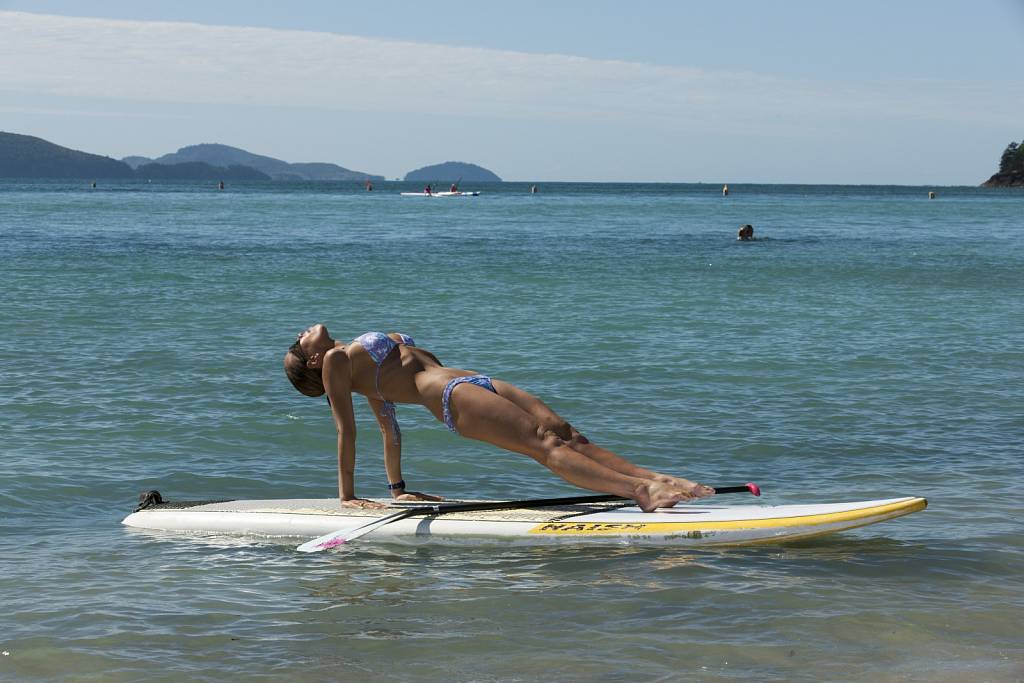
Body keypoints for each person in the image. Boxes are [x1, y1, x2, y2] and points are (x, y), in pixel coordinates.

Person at [284, 325, 715, 511]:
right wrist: (347, 495)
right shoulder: (337, 362)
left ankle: (662, 480)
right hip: (448, 395)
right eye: (299, 343)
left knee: (565, 432)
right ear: (314, 363)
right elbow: (346, 428)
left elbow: (388, 427)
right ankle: (641, 492)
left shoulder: (360, 366)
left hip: (467, 378)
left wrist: (398, 489)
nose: (302, 332)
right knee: (545, 446)